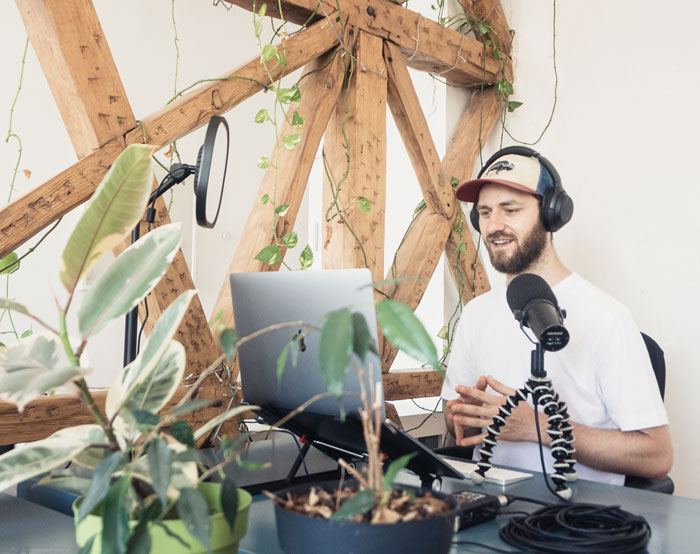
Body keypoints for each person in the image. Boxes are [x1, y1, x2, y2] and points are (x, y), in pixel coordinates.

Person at [441, 146, 673, 485]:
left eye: (511, 209)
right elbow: (456, 424)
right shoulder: (476, 314)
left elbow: (657, 456)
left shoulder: (607, 317)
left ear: (552, 213)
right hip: (489, 511)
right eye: (486, 212)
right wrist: (468, 413)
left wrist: (538, 426)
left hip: (576, 523)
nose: (494, 226)